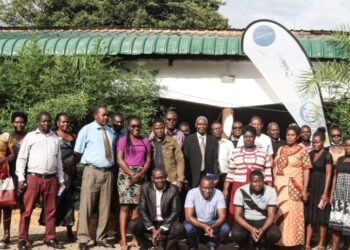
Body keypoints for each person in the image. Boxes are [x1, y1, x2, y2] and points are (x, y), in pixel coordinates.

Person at [16, 111, 65, 250]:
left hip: (51, 179)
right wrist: (20, 177)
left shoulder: (55, 138)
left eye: (48, 121)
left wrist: (61, 179)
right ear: (38, 122)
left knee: (51, 211)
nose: (46, 123)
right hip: (33, 178)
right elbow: (21, 158)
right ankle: (22, 239)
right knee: (26, 210)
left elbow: (59, 161)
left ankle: (50, 238)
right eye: (43, 121)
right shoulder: (31, 137)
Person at [74, 105, 115, 250]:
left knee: (105, 207)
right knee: (86, 206)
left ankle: (101, 237)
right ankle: (83, 238)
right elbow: (77, 152)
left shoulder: (110, 131)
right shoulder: (86, 130)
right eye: (103, 115)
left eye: (107, 115)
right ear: (95, 115)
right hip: (92, 171)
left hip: (108, 172)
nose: (106, 117)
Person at [39, 113, 79, 242]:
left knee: (68, 201)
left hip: (70, 174)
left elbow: (78, 153)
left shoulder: (73, 136)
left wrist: (72, 164)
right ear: (57, 123)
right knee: (53, 202)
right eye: (62, 122)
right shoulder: (52, 135)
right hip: (55, 174)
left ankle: (69, 231)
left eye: (67, 122)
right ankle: (49, 232)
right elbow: (48, 154)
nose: (65, 124)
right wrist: (60, 166)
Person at [223, 125, 272, 226]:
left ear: (254, 137)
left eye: (251, 137)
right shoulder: (235, 152)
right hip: (238, 185)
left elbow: (267, 171)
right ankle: (236, 231)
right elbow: (231, 171)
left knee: (256, 208)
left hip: (257, 186)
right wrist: (226, 188)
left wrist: (270, 188)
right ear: (243, 137)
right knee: (237, 207)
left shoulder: (262, 152)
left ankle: (255, 230)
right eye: (246, 137)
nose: (248, 139)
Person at [273, 125, 312, 248]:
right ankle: (278, 240)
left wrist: (305, 189)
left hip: (293, 187)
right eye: (288, 135)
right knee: (279, 213)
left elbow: (306, 170)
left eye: (292, 135)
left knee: (291, 214)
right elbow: (274, 166)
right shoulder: (280, 149)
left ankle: (292, 242)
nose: (290, 137)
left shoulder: (302, 151)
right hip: (278, 186)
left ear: (297, 136)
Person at [117, 116, 151, 250]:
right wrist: (131, 173)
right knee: (125, 207)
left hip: (141, 175)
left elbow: (148, 160)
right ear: (129, 127)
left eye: (138, 126)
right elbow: (120, 159)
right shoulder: (122, 140)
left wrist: (141, 174)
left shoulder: (145, 141)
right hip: (126, 175)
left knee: (137, 208)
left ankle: (135, 237)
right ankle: (123, 238)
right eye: (133, 126)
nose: (136, 128)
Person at [129, 168, 183, 250]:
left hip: (165, 221)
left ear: (166, 177)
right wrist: (153, 229)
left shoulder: (173, 189)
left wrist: (161, 229)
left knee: (178, 228)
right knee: (133, 225)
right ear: (152, 178)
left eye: (162, 177)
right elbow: (142, 209)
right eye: (157, 178)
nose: (160, 180)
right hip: (151, 221)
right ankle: (145, 244)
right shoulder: (145, 187)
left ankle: (167, 247)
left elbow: (175, 211)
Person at [232, 170, 281, 249]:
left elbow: (271, 215)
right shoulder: (240, 190)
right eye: (255, 181)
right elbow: (237, 215)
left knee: (275, 234)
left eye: (261, 181)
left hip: (263, 220)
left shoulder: (271, 191)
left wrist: (263, 229)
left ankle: (264, 246)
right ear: (250, 181)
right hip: (246, 220)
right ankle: (244, 245)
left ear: (263, 180)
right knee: (236, 234)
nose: (258, 184)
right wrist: (251, 229)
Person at [305, 128, 333, 250]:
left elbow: (329, 175)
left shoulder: (327, 155)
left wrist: (325, 192)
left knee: (322, 218)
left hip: (322, 187)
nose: (315, 144)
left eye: (317, 142)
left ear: (322, 142)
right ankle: (307, 244)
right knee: (310, 217)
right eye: (313, 142)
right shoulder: (310, 154)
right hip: (312, 187)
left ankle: (321, 244)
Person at [183, 176, 230, 250]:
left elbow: (222, 216)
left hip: (212, 222)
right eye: (205, 188)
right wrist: (203, 226)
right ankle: (193, 245)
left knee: (225, 229)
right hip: (197, 221)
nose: (208, 190)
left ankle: (212, 243)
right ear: (199, 187)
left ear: (214, 186)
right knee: (188, 227)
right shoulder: (192, 193)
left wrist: (212, 226)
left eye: (210, 188)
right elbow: (188, 217)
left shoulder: (218, 193)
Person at [183, 116, 219, 188]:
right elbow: (185, 160)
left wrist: (216, 176)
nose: (201, 126)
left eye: (204, 124)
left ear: (207, 126)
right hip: (192, 176)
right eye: (199, 124)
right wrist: (185, 178)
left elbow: (215, 160)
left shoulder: (213, 140)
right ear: (196, 125)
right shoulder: (188, 140)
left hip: (208, 175)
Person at [150, 119, 185, 191]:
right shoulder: (149, 143)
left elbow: (180, 160)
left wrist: (180, 180)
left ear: (164, 128)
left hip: (171, 179)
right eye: (157, 128)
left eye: (161, 128)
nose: (159, 130)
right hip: (155, 179)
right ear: (152, 129)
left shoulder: (172, 141)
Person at [329, 138, 350, 250]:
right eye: (346, 145)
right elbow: (335, 176)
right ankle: (334, 248)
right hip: (339, 196)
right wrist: (332, 193)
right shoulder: (340, 160)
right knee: (336, 225)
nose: (348, 148)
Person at [0, 127, 15, 249]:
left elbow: (12, 155)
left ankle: (6, 234)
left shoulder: (5, 136)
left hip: (4, 175)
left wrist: (4, 159)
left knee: (6, 205)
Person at [210, 121, 234, 190]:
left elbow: (232, 160)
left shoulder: (228, 143)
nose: (218, 130)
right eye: (215, 129)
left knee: (225, 196)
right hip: (212, 175)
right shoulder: (208, 143)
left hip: (225, 175)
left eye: (219, 128)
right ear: (211, 131)